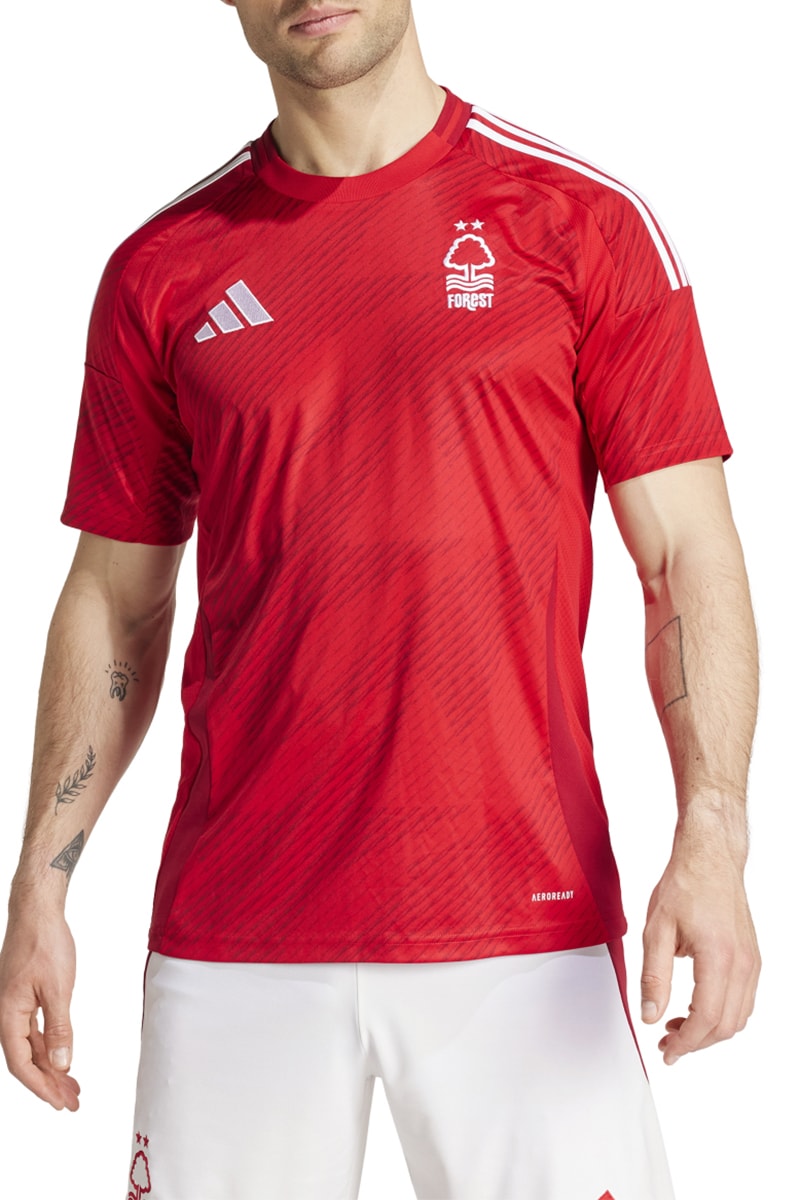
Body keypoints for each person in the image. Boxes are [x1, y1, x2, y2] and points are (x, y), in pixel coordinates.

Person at [0, 2, 760, 1197]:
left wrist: (709, 839)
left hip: (520, 917)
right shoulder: (162, 268)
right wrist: (39, 887)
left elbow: (685, 559)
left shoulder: (578, 223)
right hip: (236, 933)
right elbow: (114, 600)